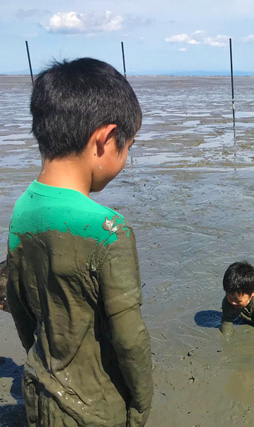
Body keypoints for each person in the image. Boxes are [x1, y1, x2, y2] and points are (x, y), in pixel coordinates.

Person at [6, 58, 153, 427]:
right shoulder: (107, 230)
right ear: (105, 139)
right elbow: (129, 339)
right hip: (93, 409)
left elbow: (22, 312)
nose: (124, 159)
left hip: (39, 391)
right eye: (127, 148)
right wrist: (140, 405)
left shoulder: (23, 207)